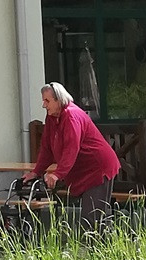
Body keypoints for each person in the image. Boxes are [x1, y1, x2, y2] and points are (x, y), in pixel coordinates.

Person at [27, 82, 121, 232]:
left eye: (47, 101)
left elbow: (71, 148)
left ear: (58, 100)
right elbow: (46, 148)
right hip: (82, 170)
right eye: (43, 100)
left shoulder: (72, 116)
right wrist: (36, 171)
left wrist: (58, 174)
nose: (44, 105)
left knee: (91, 219)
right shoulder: (52, 118)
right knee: (93, 218)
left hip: (97, 168)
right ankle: (104, 248)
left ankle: (103, 251)